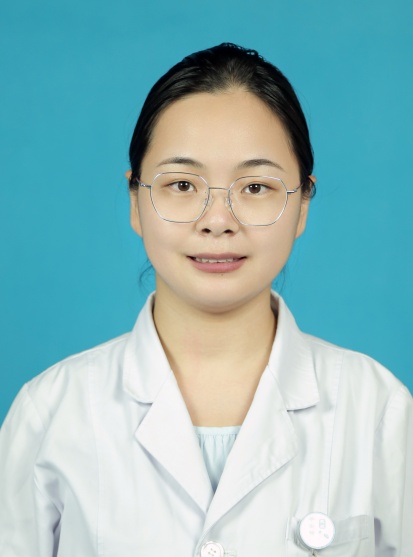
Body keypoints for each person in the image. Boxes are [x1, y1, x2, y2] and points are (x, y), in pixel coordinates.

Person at [0, 43, 411, 557]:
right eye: (181, 184)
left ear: (303, 204)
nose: (217, 221)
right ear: (136, 201)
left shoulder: (379, 412)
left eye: (255, 187)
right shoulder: (50, 414)